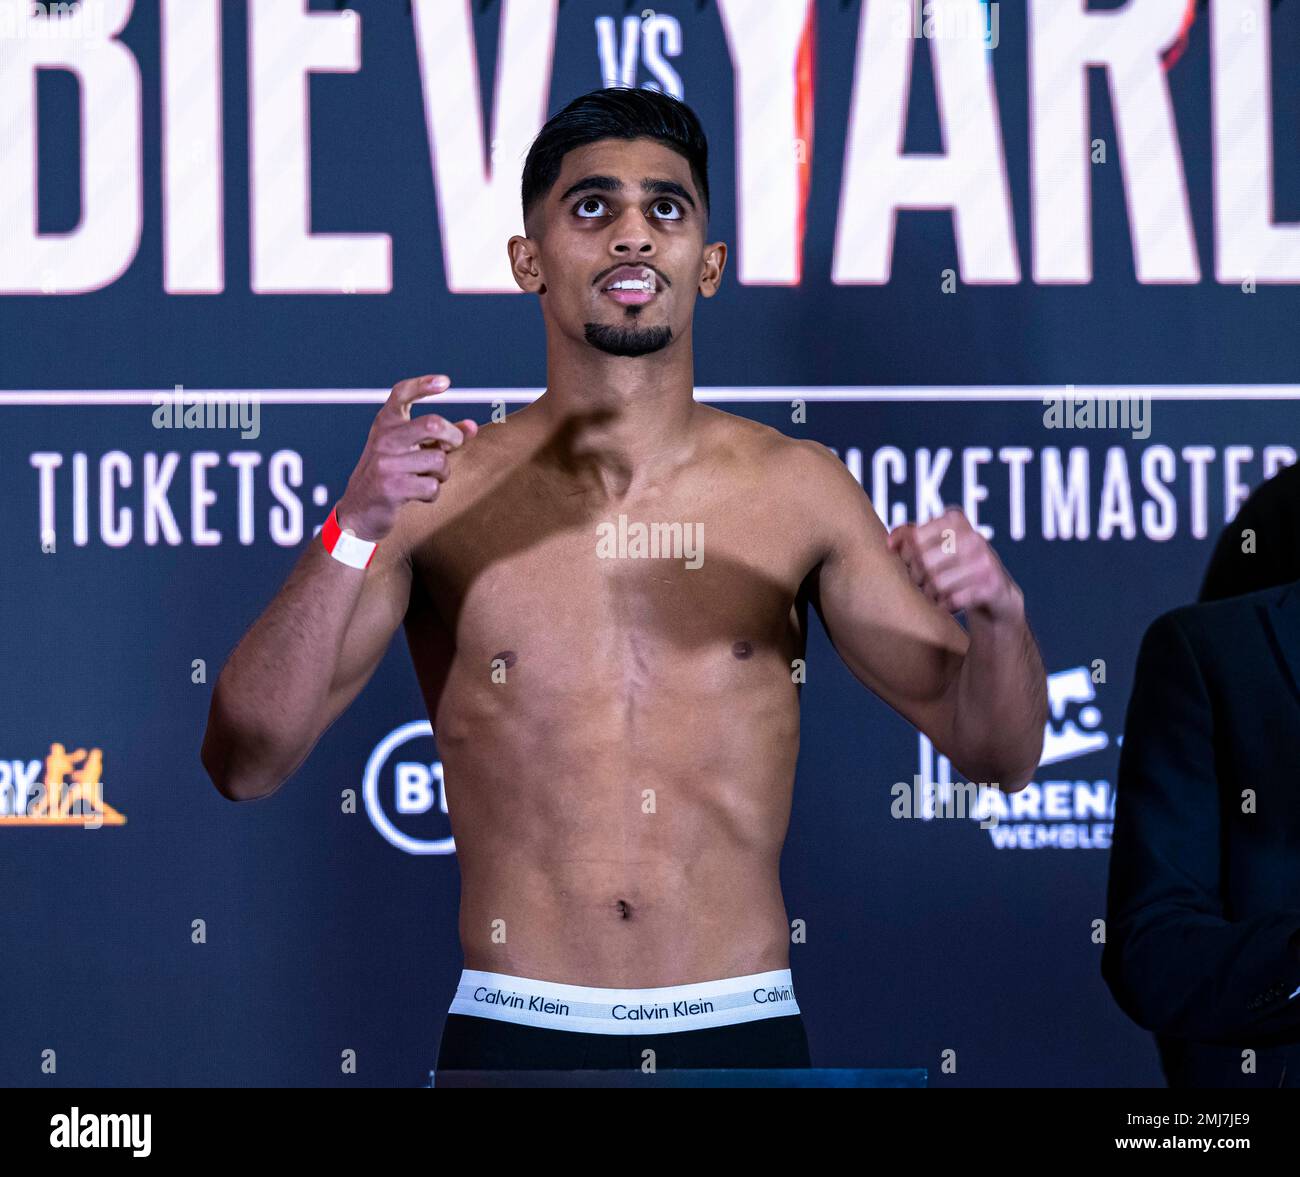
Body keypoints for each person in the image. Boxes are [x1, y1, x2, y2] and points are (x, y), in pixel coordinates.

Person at [201, 87, 1046, 1074]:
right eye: (592, 207)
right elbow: (246, 757)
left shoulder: (798, 491)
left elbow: (999, 752)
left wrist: (999, 619)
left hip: (741, 1029)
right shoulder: (435, 493)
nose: (633, 236)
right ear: (528, 259)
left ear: (710, 263)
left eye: (667, 209)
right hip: (517, 1029)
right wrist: (353, 527)